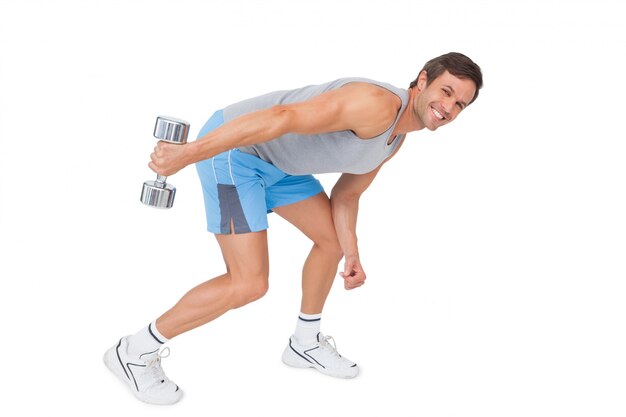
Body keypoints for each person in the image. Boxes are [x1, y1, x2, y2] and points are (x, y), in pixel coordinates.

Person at [104, 52, 483, 405]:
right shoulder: (376, 104)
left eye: (460, 104)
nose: (448, 108)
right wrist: (190, 153)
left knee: (331, 242)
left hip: (280, 165)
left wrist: (352, 252)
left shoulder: (395, 139)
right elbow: (283, 116)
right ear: (423, 80)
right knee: (248, 284)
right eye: (446, 92)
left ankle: (304, 342)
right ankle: (134, 351)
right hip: (238, 150)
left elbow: (347, 197)